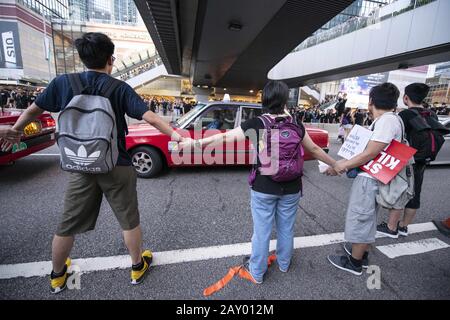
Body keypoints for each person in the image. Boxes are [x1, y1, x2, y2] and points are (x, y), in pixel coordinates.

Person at [0, 32, 188, 294]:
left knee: (67, 224)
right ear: (110, 59)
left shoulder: (63, 83)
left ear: (82, 57)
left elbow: (33, 110)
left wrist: (17, 130)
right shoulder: (118, 88)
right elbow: (152, 118)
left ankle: (57, 276)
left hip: (79, 164)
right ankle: (137, 266)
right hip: (117, 163)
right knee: (129, 220)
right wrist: (179, 137)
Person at [180, 80, 337, 284]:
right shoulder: (296, 123)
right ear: (284, 99)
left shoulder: (258, 123)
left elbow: (225, 137)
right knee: (286, 228)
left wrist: (195, 143)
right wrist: (337, 164)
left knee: (262, 232)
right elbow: (315, 149)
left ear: (265, 99)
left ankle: (257, 272)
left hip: (264, 186)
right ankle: (284, 263)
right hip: (292, 186)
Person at [327, 83, 402, 275]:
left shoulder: (387, 121)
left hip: (370, 178)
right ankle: (362, 253)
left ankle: (355, 262)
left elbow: (370, 153)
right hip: (376, 175)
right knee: (367, 216)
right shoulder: (390, 119)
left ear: (371, 102)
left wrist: (342, 165)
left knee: (361, 217)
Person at [376, 83, 445, 238]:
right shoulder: (432, 114)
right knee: (415, 192)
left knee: (399, 190)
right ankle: (403, 226)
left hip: (405, 159)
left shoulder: (404, 116)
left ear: (406, 98)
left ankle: (391, 227)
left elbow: (395, 139)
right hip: (422, 160)